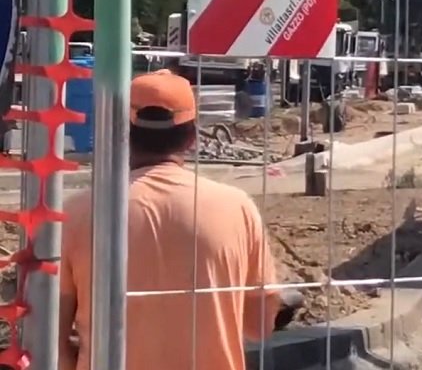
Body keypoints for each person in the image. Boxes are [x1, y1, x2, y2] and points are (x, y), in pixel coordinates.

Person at [58, 69, 282, 370]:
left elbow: (52, 335)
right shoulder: (238, 208)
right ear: (191, 137)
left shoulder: (78, 212)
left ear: (122, 132)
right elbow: (258, 325)